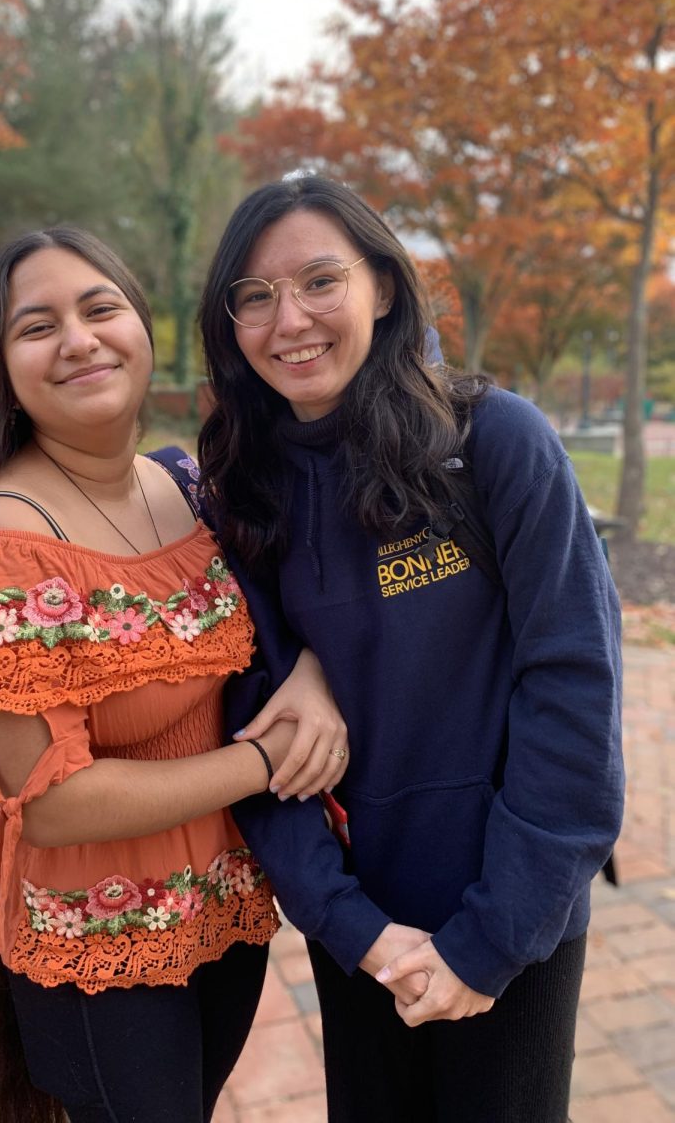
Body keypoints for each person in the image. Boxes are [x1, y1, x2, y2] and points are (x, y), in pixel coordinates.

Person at [197, 175, 624, 1123]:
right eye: (255, 297)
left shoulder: (492, 442)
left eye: (319, 281)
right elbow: (252, 723)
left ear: (382, 287)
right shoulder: (244, 487)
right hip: (361, 927)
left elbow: (575, 690)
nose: (289, 320)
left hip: (514, 917)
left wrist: (489, 942)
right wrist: (357, 931)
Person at [0, 225, 350, 1123]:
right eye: (37, 327)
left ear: (143, 329)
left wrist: (309, 671)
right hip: (99, 945)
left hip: (223, 910)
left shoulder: (186, 484)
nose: (79, 339)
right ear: (3, 369)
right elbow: (52, 799)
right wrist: (266, 765)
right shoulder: (0, 545)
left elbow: (280, 617)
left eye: (100, 307)